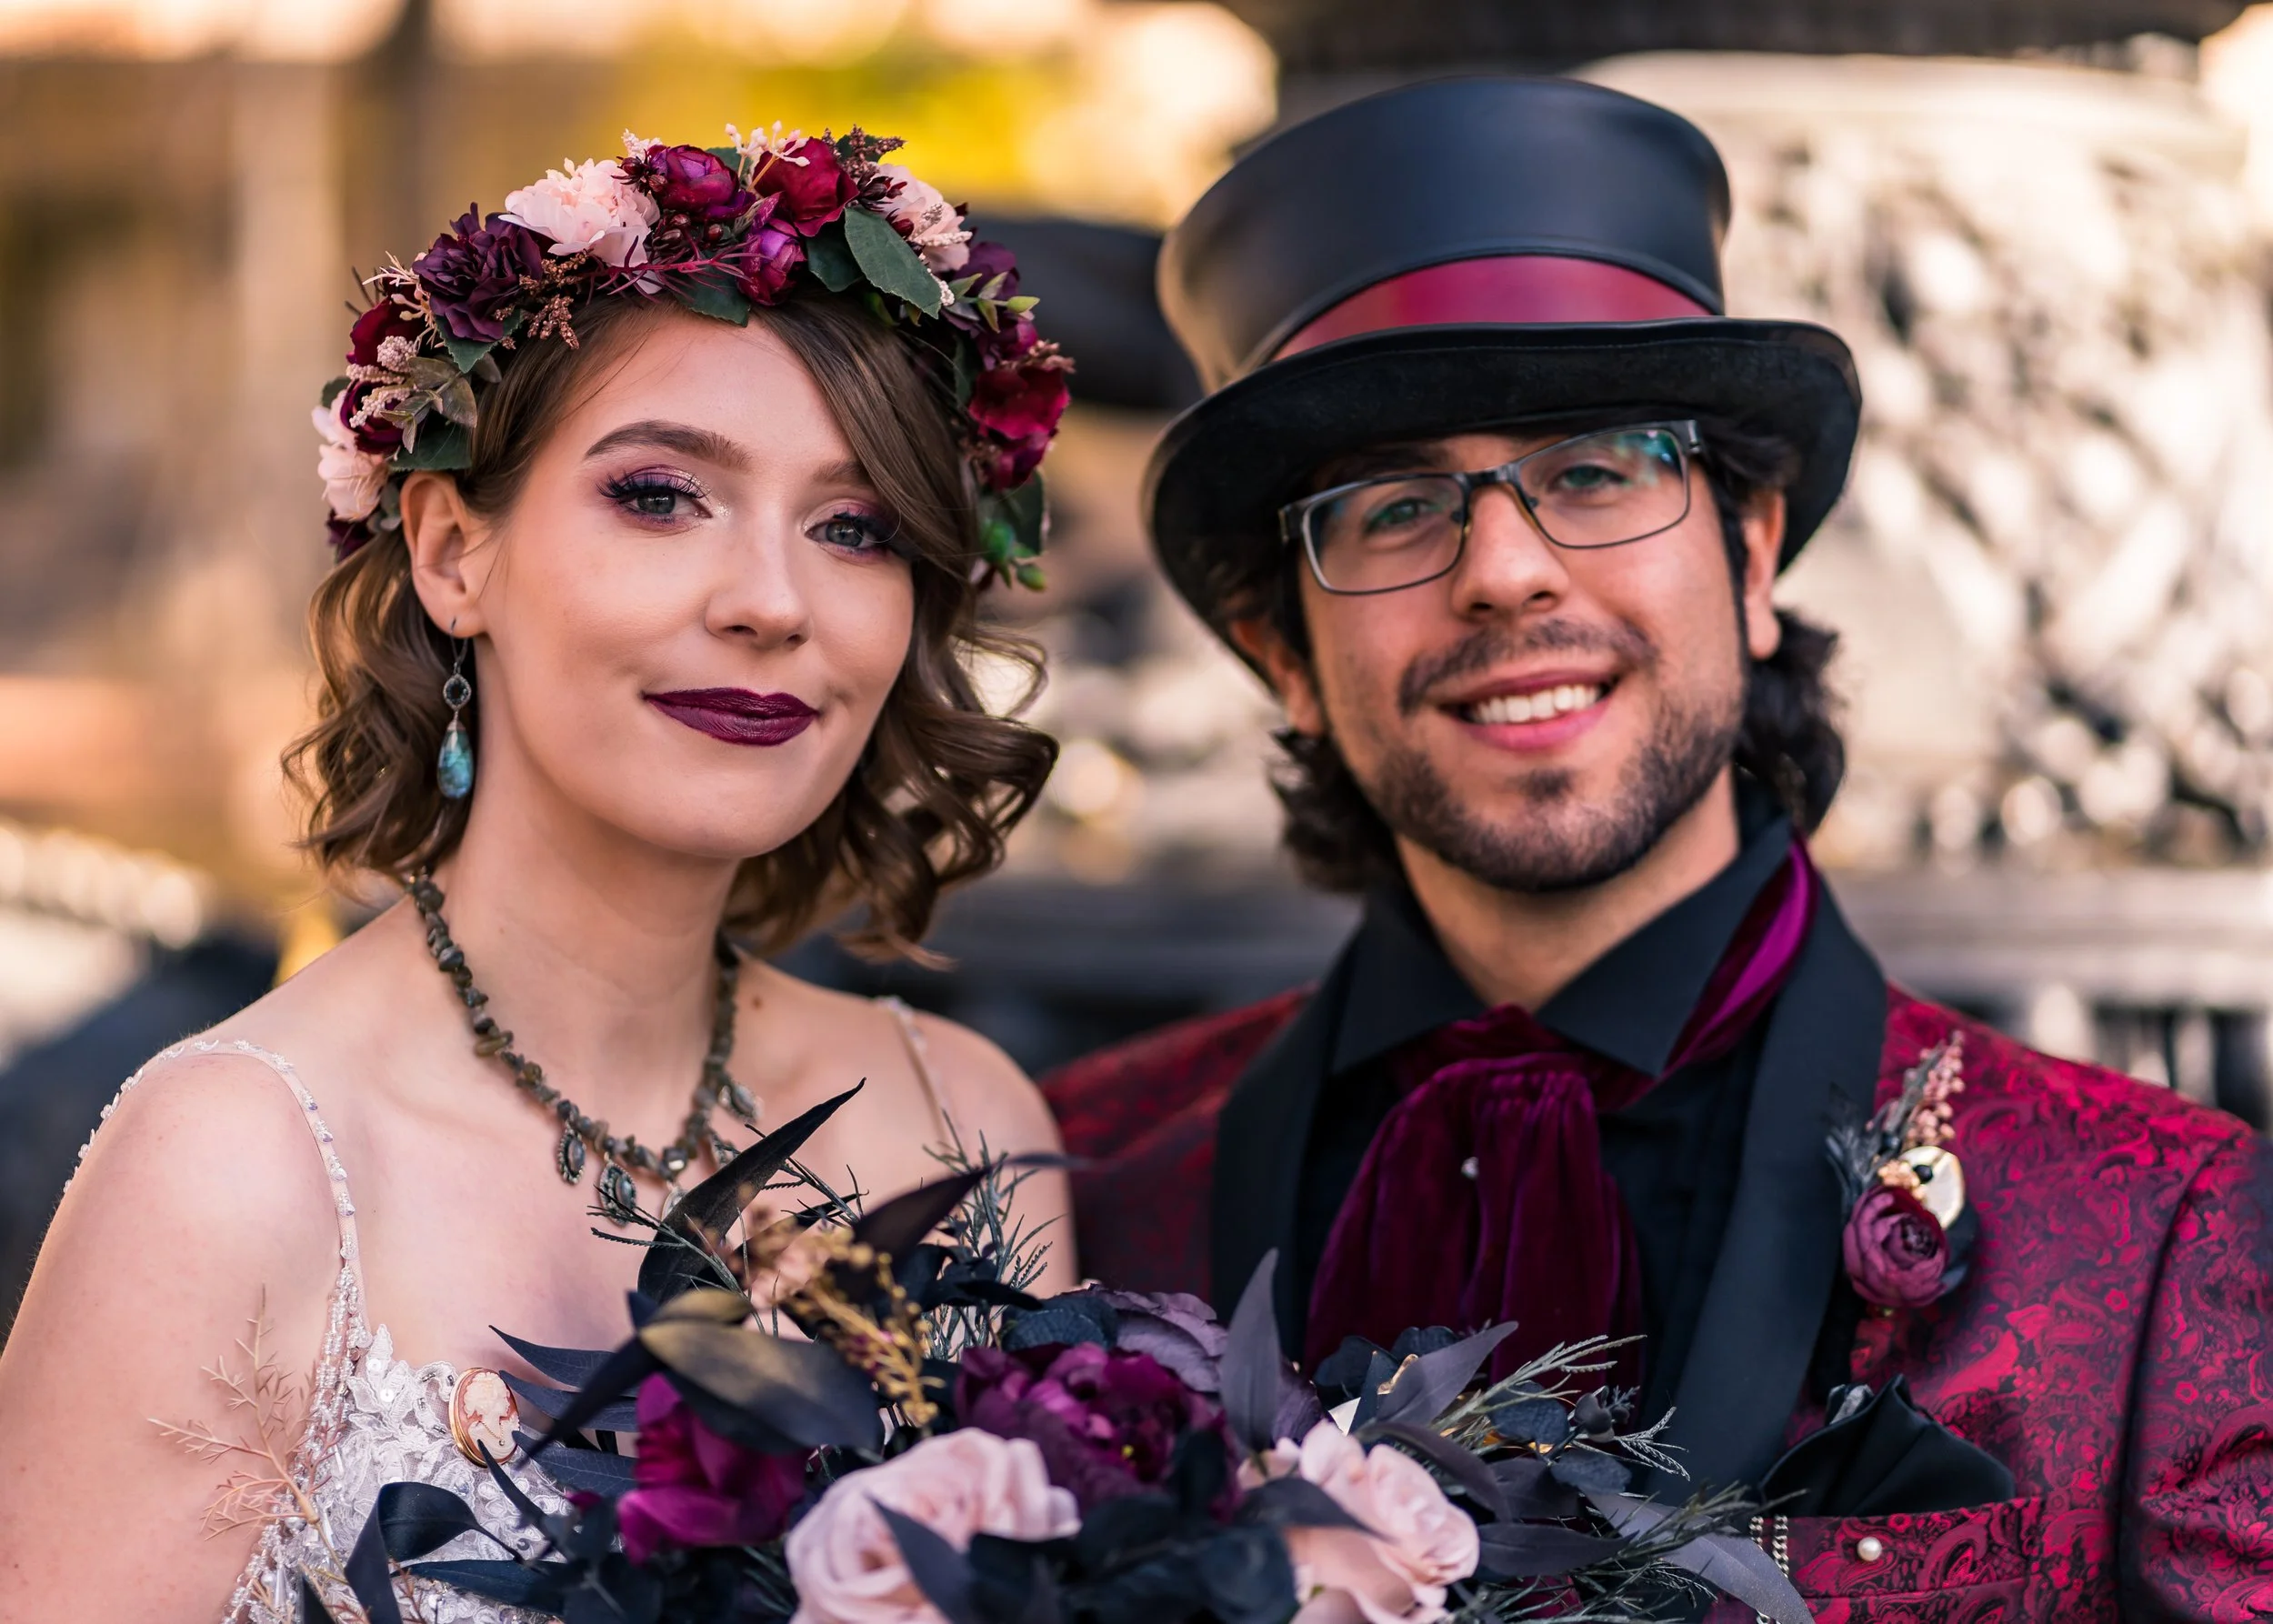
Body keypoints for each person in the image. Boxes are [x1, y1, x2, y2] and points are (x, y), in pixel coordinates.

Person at [1044, 78, 2273, 1617]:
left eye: (1596, 468)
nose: (1504, 570)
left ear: (1751, 557)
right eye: (1394, 506)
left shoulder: (2158, 1228)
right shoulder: (1078, 1190)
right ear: (1279, 651)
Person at [0, 125, 1076, 1620]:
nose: (773, 600)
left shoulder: (961, 1123)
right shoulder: (235, 1166)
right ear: (454, 553)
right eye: (662, 495)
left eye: (856, 527)